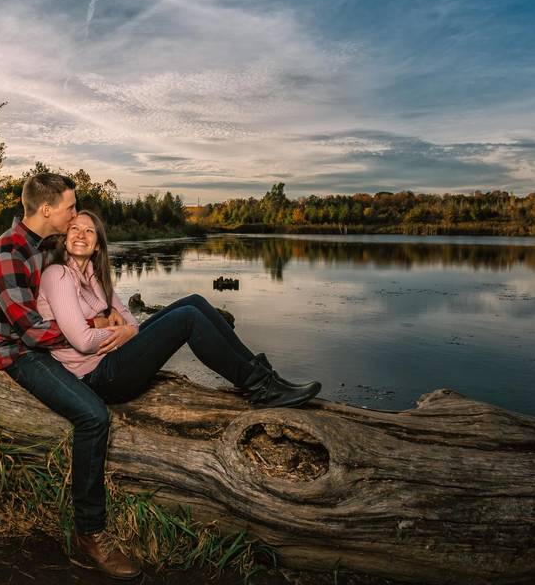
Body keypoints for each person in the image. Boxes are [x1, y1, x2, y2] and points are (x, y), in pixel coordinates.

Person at [36, 211, 321, 573]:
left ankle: (263, 380)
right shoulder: (58, 275)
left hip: (112, 357)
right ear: (63, 237)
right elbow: (81, 340)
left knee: (195, 302)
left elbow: (132, 321)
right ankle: (261, 387)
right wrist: (113, 329)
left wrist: (120, 328)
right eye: (74, 228)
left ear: (98, 242)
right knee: (186, 320)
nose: (80, 235)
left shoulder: (95, 273)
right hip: (97, 377)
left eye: (89, 231)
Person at [0, 173, 139, 580]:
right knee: (93, 416)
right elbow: (33, 331)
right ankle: (90, 533)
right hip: (22, 355)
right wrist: (95, 323)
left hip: (54, 349)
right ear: (46, 209)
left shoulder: (45, 244)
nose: (74, 215)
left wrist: (109, 322)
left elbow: (78, 286)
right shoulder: (7, 253)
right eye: (70, 207)